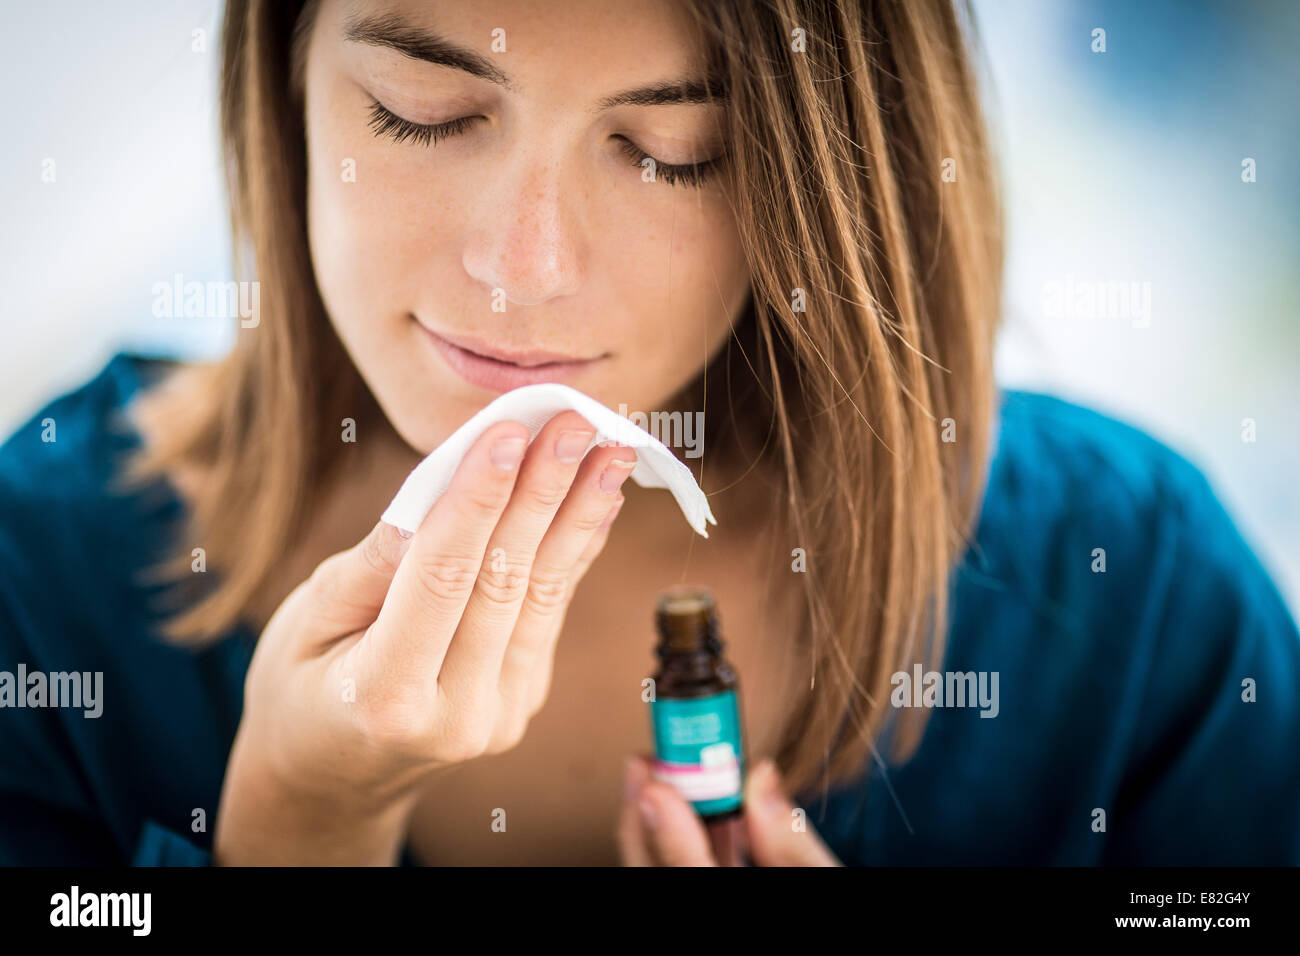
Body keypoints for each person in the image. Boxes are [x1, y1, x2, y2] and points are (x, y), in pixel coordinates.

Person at [1, 0, 1297, 866]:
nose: (522, 269)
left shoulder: (1136, 608)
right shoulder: (42, 580)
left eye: (677, 151)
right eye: (422, 112)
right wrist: (298, 829)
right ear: (279, 77)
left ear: (832, 170)